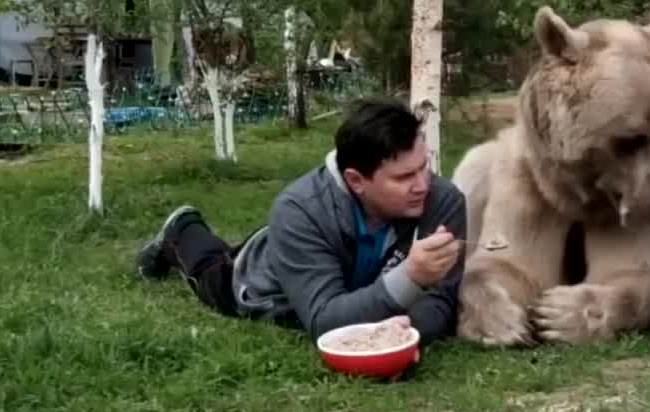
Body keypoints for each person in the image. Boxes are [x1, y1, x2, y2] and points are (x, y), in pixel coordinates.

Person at [134, 97, 467, 348]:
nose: (423, 184)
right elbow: (325, 322)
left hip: (332, 270)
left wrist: (402, 334)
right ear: (356, 180)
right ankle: (180, 229)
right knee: (210, 269)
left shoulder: (443, 200)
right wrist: (410, 277)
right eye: (404, 176)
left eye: (424, 166)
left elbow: (440, 303)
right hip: (264, 285)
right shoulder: (299, 210)